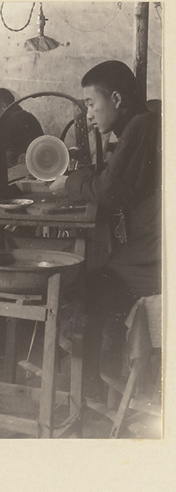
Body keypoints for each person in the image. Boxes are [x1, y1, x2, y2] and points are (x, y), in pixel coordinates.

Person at [49, 60, 161, 390]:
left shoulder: (141, 126)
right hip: (151, 246)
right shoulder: (138, 126)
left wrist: (69, 183)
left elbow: (109, 190)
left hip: (155, 257)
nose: (89, 115)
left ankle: (95, 385)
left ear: (115, 99)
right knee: (96, 278)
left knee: (88, 286)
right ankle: (102, 379)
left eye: (91, 105)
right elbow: (111, 181)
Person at [0, 87, 44, 167]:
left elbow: (4, 154)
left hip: (26, 167)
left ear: (4, 106)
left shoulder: (13, 120)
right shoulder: (22, 115)